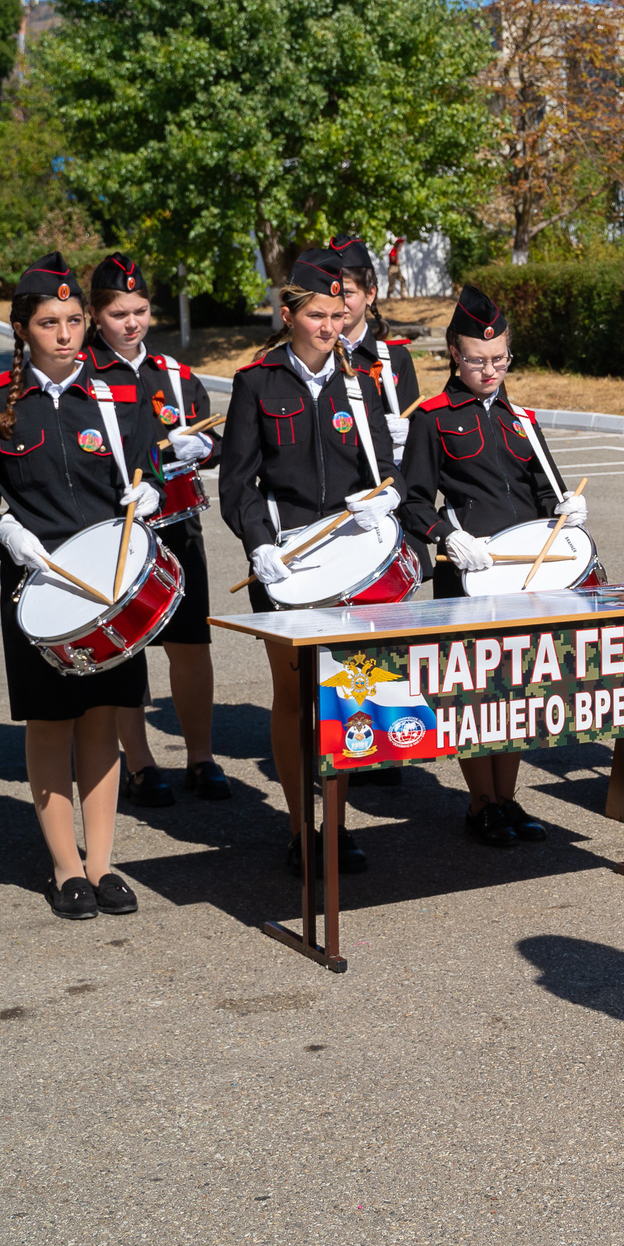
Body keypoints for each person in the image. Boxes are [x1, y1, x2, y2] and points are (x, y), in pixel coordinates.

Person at [0, 253, 165, 918]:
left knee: (102, 719)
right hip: (39, 583)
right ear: (22, 329)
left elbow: (148, 454)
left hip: (110, 582)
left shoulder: (117, 391)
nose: (66, 334)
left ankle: (102, 862)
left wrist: (149, 484)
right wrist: (5, 535)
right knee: (51, 723)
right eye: (49, 322)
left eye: (73, 320)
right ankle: (64, 866)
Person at [219, 246, 404, 877]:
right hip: (288, 563)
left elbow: (391, 471)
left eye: (337, 314)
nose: (332, 326)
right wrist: (257, 545)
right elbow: (237, 485)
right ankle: (301, 826)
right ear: (289, 312)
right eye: (318, 315)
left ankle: (339, 825)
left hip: (351, 563)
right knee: (295, 697)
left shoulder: (361, 382)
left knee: (347, 696)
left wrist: (388, 503)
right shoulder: (256, 384)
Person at [399, 285, 589, 846]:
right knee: (476, 694)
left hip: (529, 575)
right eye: (478, 360)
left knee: (518, 691)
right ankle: (479, 802)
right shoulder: (433, 419)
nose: (491, 369)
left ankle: (507, 799)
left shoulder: (521, 419)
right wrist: (446, 536)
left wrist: (568, 509)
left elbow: (549, 489)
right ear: (455, 356)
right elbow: (411, 500)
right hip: (472, 573)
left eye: (500, 358)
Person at [85, 251, 229, 805]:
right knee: (126, 649)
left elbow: (213, 443)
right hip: (114, 531)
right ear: (97, 315)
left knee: (190, 644)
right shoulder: (83, 375)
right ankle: (140, 763)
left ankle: (201, 757)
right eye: (119, 312)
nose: (132, 322)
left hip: (177, 527)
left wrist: (204, 445)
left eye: (141, 310)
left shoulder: (176, 374)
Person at [326, 234, 421, 456]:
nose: (339, 302)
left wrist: (411, 433)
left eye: (347, 293)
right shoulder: (314, 358)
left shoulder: (396, 359)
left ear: (370, 294)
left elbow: (419, 447)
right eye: (333, 292)